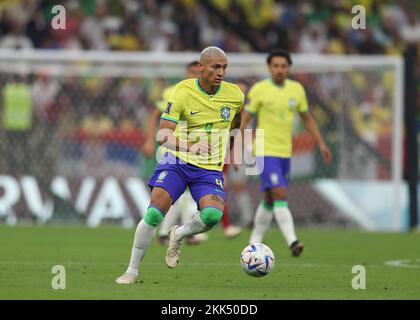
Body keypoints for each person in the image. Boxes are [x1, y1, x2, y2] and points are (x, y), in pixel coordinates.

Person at [116, 46, 245, 284]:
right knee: (155, 212)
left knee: (211, 216)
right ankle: (131, 271)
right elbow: (162, 135)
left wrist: (235, 149)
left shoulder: (235, 94)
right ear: (201, 67)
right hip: (176, 160)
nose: (221, 72)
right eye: (216, 66)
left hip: (209, 168)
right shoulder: (182, 91)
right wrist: (191, 147)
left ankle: (179, 234)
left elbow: (237, 120)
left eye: (224, 67)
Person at [240, 49, 332, 257]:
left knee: (270, 199)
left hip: (285, 152)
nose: (280, 70)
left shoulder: (296, 89)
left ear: (289, 68)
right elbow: (246, 119)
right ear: (269, 68)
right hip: (264, 150)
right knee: (281, 194)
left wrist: (320, 142)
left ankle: (253, 242)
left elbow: (307, 117)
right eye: (276, 66)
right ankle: (293, 242)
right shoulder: (260, 90)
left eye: (283, 66)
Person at [143, 61, 208, 246]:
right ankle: (178, 233)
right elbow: (156, 114)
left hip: (192, 148)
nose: (195, 75)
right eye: (192, 71)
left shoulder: (205, 94)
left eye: (198, 72)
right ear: (186, 72)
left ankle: (167, 233)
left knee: (185, 193)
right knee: (178, 192)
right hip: (170, 148)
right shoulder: (174, 91)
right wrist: (149, 140)